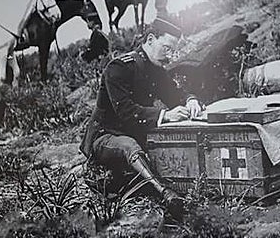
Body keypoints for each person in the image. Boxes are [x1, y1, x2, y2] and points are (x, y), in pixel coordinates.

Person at [82, 16, 202, 221]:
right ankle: (166, 193)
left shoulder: (155, 69)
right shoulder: (119, 67)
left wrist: (190, 100)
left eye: (173, 51)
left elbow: (175, 94)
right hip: (106, 136)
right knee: (129, 146)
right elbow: (126, 112)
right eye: (167, 48)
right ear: (150, 40)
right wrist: (165, 115)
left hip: (135, 133)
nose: (170, 56)